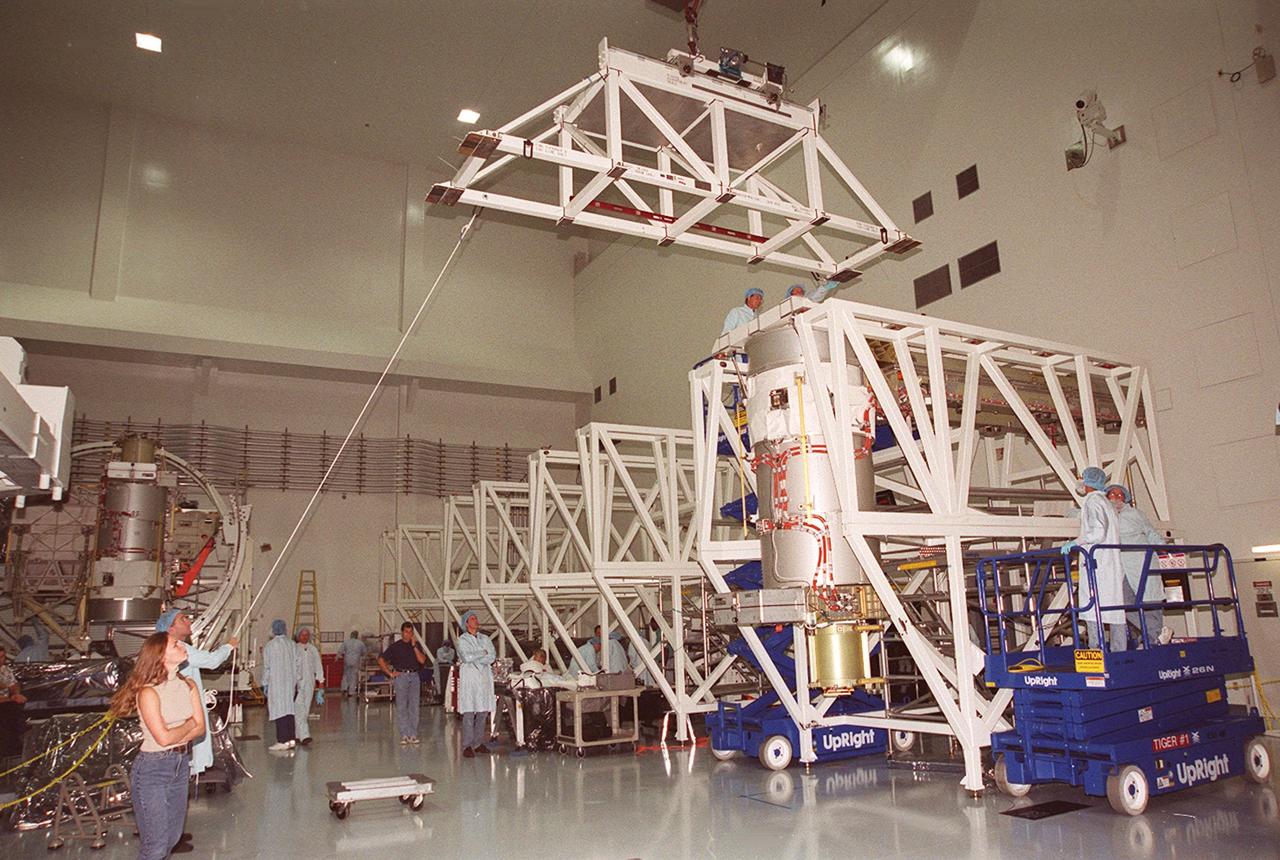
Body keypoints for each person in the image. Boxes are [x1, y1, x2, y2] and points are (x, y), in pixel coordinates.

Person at [109, 632, 205, 860]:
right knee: (156, 846)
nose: (182, 645)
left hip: (180, 766)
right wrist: (188, 725)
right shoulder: (148, 693)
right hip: (153, 770)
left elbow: (201, 728)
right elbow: (163, 738)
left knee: (172, 838)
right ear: (161, 655)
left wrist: (182, 729)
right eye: (175, 644)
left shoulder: (188, 684)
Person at [155, 609, 236, 783]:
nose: (188, 621)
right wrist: (229, 646)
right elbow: (213, 661)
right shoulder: (177, 649)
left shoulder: (179, 648)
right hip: (182, 712)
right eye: (182, 619)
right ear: (170, 628)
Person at [1062, 466, 1125, 651]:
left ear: (1088, 482)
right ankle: (1118, 653)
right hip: (1108, 565)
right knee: (1113, 611)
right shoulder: (1106, 504)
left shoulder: (1092, 502)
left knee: (1092, 611)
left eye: (1082, 478)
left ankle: (1096, 654)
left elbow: (1097, 532)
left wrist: (1075, 542)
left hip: (1097, 566)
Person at [1106, 484, 1173, 646]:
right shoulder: (1106, 515)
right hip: (1122, 568)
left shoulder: (1135, 514)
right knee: (1123, 604)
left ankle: (1154, 639)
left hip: (1142, 561)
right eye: (1112, 494)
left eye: (1119, 494)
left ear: (1126, 498)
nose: (1115, 497)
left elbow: (1150, 532)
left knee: (1150, 603)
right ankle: (1157, 635)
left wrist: (1163, 547)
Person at [377, 622, 428, 745]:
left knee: (414, 706)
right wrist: (390, 673)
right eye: (406, 632)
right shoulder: (395, 647)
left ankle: (413, 734)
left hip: (415, 677)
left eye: (411, 632)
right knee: (401, 706)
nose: (408, 634)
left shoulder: (416, 646)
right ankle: (404, 734)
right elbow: (380, 660)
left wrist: (414, 646)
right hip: (401, 677)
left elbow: (422, 660)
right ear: (402, 632)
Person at [455, 611, 496, 758]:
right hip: (470, 679)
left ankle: (478, 743)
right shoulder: (462, 640)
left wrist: (478, 655)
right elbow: (466, 657)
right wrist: (482, 653)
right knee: (469, 712)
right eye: (472, 618)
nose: (475, 620)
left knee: (482, 712)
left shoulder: (485, 638)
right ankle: (467, 745)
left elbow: (492, 656)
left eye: (476, 618)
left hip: (484, 679)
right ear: (466, 623)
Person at [261, 619, 299, 752]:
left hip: (276, 683)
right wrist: (296, 682)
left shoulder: (270, 646)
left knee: (279, 711)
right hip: (289, 683)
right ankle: (291, 739)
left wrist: (264, 683)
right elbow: (297, 664)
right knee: (289, 710)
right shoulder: (292, 644)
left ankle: (282, 740)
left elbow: (267, 667)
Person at [293, 628, 324, 746]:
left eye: (307, 635)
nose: (305, 637)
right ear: (298, 636)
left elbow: (318, 666)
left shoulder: (313, 649)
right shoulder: (294, 649)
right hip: (297, 684)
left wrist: (321, 686)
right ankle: (305, 735)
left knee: (305, 710)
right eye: (302, 635)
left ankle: (297, 734)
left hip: (310, 684)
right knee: (299, 708)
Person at [0, 645, 28, 759]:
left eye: (2, 657)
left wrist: (16, 694)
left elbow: (13, 684)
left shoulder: (5, 670)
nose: (0, 660)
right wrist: (10, 699)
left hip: (6, 704)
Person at [338, 631, 366, 698]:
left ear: (351, 635)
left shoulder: (346, 642)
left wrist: (338, 657)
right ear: (357, 636)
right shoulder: (360, 643)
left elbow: (340, 651)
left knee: (345, 674)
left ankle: (344, 688)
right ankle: (351, 692)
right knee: (353, 676)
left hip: (347, 660)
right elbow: (364, 652)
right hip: (355, 661)